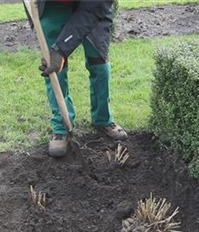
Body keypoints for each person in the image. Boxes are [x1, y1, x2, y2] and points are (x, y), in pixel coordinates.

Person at [25, 0, 128, 157]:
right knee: (54, 65)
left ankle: (103, 118)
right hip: (53, 5)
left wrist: (62, 49)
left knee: (99, 61)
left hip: (93, 6)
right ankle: (61, 126)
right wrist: (57, 53)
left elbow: (93, 9)